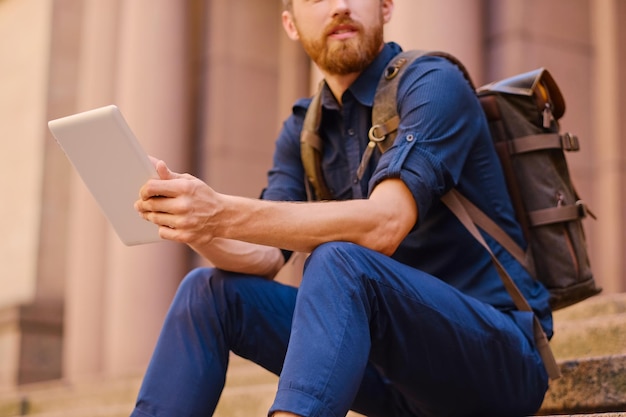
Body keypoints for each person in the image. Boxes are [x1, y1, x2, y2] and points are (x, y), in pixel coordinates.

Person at [130, 0, 553, 416]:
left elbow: (385, 224)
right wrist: (199, 227)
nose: (340, 6)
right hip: (392, 375)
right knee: (207, 291)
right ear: (290, 24)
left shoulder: (433, 82)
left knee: (338, 260)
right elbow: (263, 259)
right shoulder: (304, 129)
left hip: (498, 363)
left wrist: (220, 211)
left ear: (386, 6)